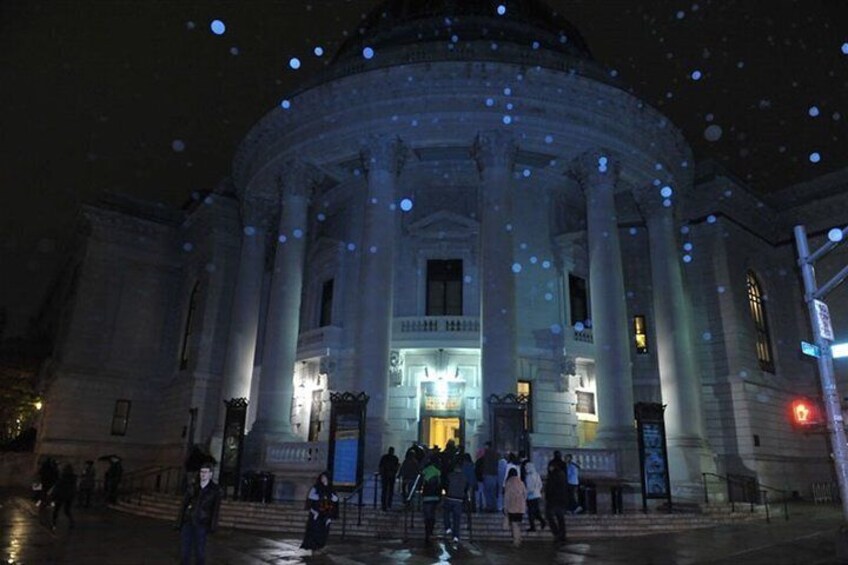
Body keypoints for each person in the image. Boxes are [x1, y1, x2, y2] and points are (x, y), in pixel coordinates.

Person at [177, 462, 222, 565]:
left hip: (202, 523)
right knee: (185, 551)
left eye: (206, 472)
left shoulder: (215, 490)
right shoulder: (193, 487)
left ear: (211, 474)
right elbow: (184, 505)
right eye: (201, 472)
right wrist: (179, 522)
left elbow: (215, 510)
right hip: (188, 522)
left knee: (199, 551)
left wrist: (212, 526)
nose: (203, 474)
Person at [300, 471, 339, 554]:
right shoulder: (316, 487)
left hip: (326, 513)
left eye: (324, 477)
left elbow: (335, 500)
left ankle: (320, 546)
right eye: (322, 477)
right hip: (317, 513)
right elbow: (311, 497)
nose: (323, 479)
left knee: (323, 531)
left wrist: (331, 498)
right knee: (315, 530)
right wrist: (320, 498)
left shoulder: (331, 488)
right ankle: (314, 546)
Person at [442, 463, 468, 543]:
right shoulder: (464, 477)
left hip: (450, 497)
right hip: (459, 499)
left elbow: (445, 484)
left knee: (446, 512)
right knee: (457, 518)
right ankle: (456, 536)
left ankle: (447, 527)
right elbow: (466, 488)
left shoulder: (450, 476)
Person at [420, 456, 442, 543]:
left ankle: (427, 532)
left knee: (427, 515)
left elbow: (422, 480)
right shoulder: (438, 471)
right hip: (435, 496)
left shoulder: (426, 470)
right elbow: (439, 484)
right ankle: (431, 530)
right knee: (432, 514)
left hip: (426, 496)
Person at [545, 462, 568, 543]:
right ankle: (562, 534)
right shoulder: (562, 475)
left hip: (553, 499)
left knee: (550, 516)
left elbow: (550, 488)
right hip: (561, 500)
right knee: (560, 518)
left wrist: (548, 496)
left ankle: (557, 533)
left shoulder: (553, 476)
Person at [503, 468, 526, 547]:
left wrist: (505, 507)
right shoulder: (521, 482)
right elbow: (525, 494)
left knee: (514, 524)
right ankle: (519, 537)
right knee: (518, 524)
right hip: (521, 507)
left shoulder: (509, 482)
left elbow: (507, 496)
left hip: (512, 507)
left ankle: (516, 541)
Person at [50, 463, 77, 531]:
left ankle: (53, 522)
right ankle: (71, 521)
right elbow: (73, 488)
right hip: (69, 496)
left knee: (56, 509)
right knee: (66, 510)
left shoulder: (62, 477)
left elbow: (58, 486)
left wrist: (53, 494)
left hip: (61, 495)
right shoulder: (73, 478)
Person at [523, 462, 546, 531]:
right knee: (536, 511)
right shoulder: (537, 475)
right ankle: (542, 522)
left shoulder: (529, 476)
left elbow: (530, 488)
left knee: (531, 512)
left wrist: (525, 494)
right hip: (537, 495)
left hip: (531, 496)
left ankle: (533, 526)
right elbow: (540, 485)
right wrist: (537, 491)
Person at [378, 446, 400, 511]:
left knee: (385, 490)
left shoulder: (385, 458)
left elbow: (381, 466)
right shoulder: (394, 458)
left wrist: (382, 473)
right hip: (390, 476)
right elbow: (397, 467)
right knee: (389, 491)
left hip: (386, 476)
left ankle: (384, 504)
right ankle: (388, 504)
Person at [481, 442, 499, 512]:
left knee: (487, 491)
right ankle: (494, 506)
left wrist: (483, 473)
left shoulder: (487, 453)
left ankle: (489, 506)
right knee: (493, 491)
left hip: (488, 474)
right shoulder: (496, 454)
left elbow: (486, 464)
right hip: (494, 475)